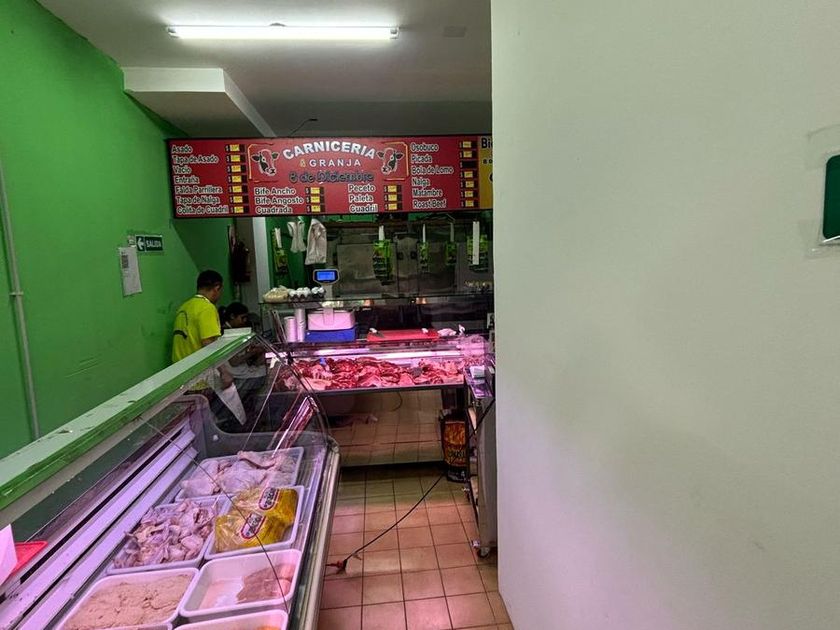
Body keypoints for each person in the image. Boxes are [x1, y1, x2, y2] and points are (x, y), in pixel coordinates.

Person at [172, 270, 224, 363]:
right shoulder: (207, 308)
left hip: (179, 366)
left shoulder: (184, 307)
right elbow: (209, 344)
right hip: (198, 366)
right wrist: (223, 369)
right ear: (217, 288)